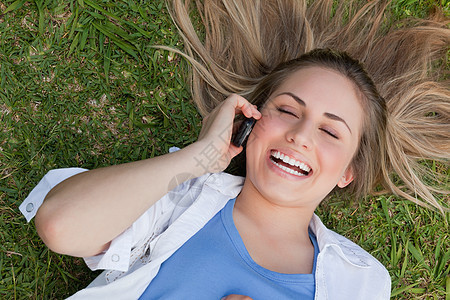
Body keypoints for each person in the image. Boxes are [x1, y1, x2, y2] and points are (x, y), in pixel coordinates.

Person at [20, 0, 448, 299]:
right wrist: (197, 158)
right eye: (287, 110)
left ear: (347, 172)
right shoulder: (180, 199)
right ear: (250, 121)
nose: (300, 135)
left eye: (331, 132)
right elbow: (60, 225)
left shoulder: (362, 281)